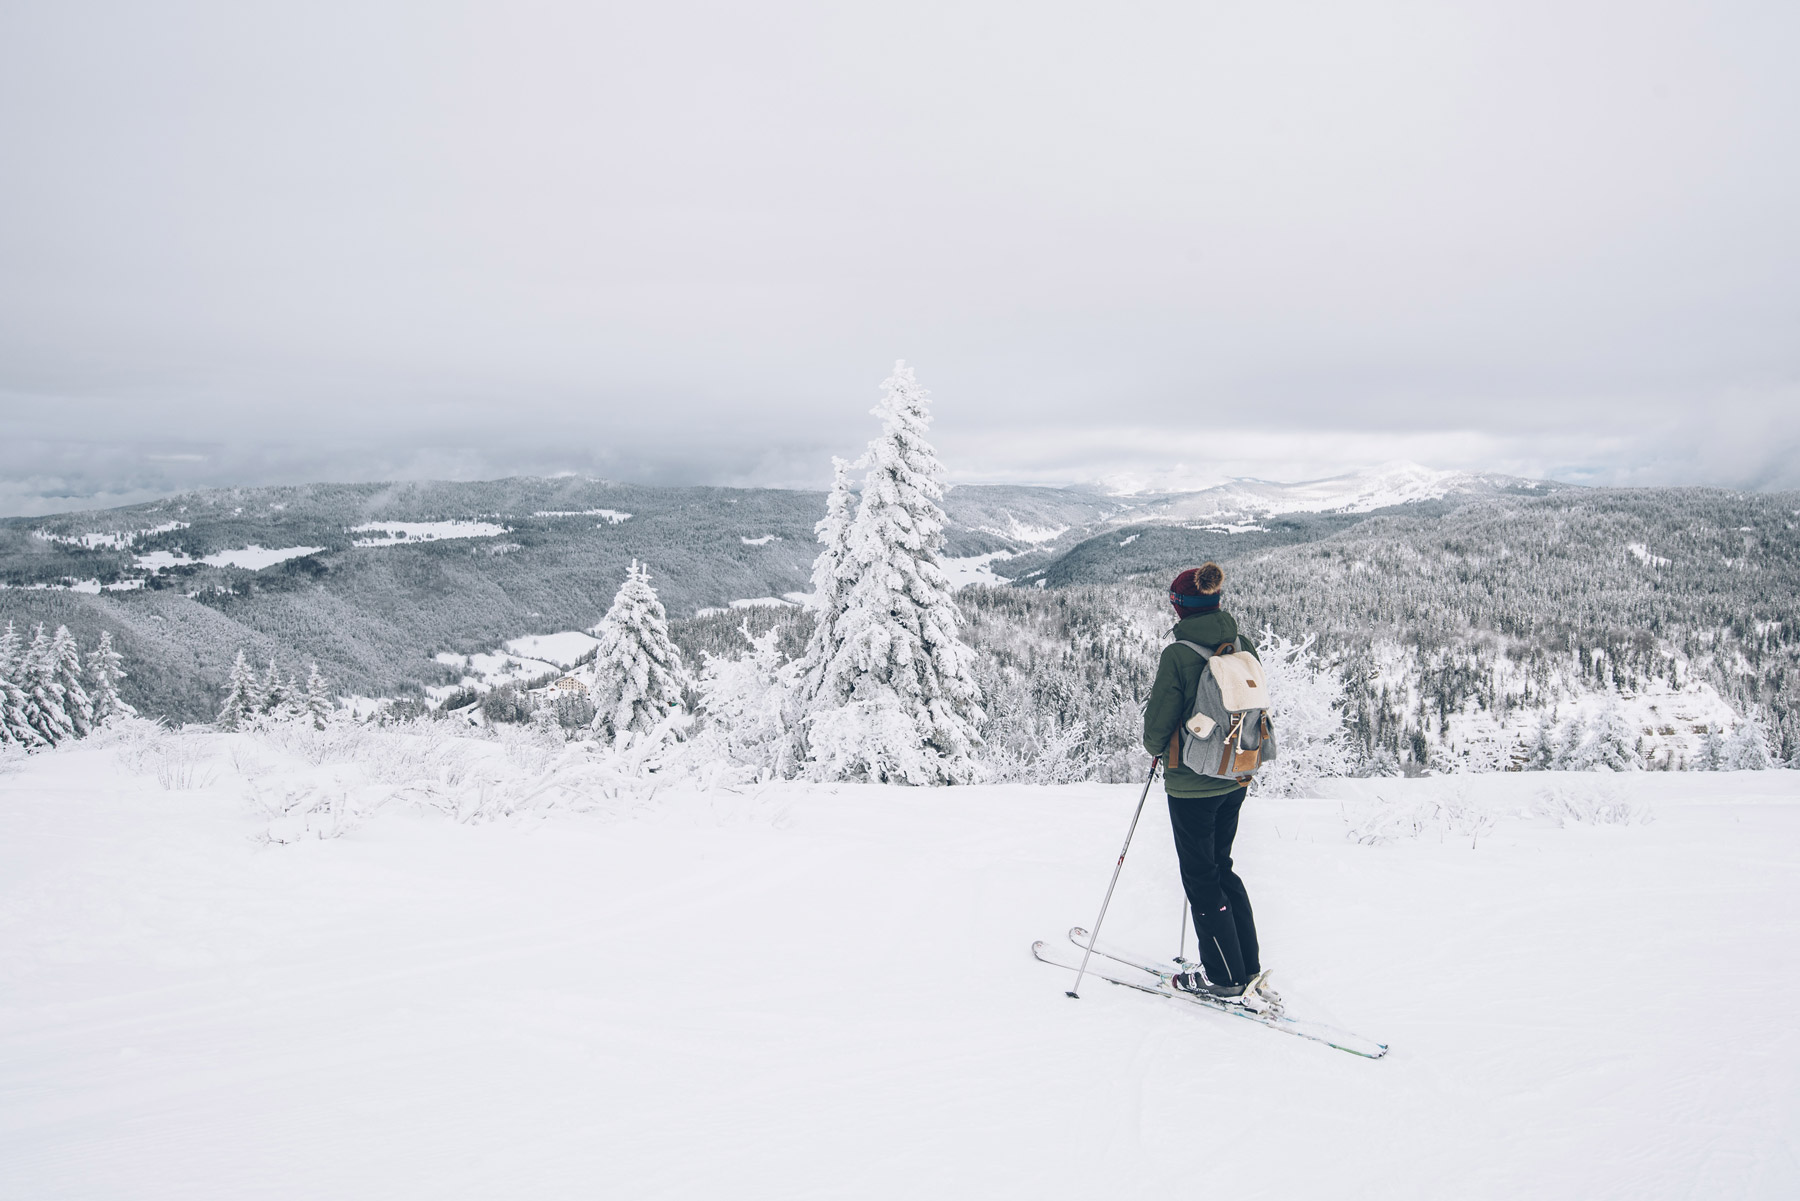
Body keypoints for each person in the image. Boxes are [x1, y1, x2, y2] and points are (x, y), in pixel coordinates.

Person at [1141, 563, 1278, 1009]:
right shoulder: (1242, 645)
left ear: (1180, 607)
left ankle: (1223, 977)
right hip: (1236, 774)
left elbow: (1159, 722)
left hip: (1191, 782)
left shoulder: (1178, 655)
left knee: (1201, 877)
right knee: (1222, 866)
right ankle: (1246, 966)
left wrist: (1156, 748)